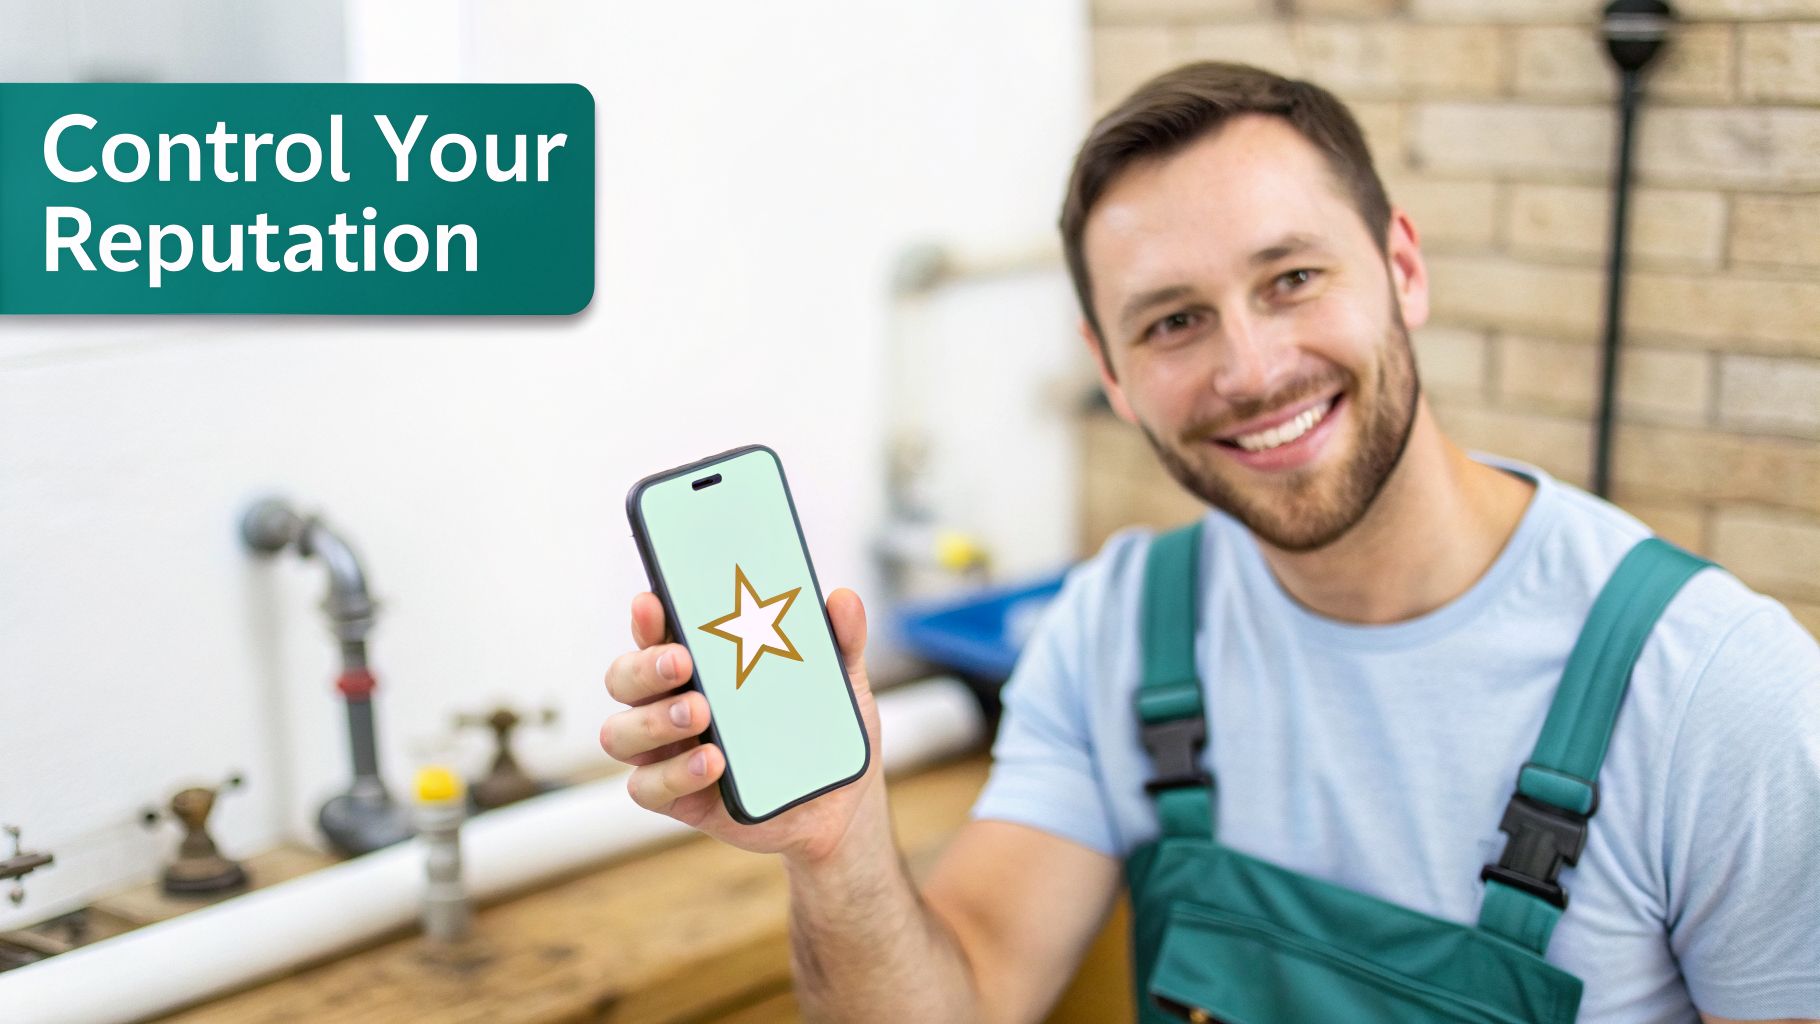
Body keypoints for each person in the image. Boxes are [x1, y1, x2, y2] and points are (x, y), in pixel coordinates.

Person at [599, 62, 1820, 1023]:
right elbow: (956, 996)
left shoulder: (1720, 692)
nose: (1249, 368)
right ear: (1111, 374)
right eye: (1173, 321)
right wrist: (837, 843)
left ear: (1400, 267)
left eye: (1290, 278)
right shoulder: (1121, 625)